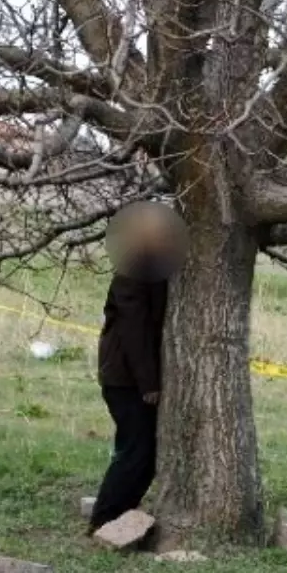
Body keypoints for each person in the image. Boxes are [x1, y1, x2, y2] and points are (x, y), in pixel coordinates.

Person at [87, 206, 182, 536]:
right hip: (125, 379)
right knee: (137, 450)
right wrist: (149, 384)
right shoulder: (133, 274)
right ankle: (106, 518)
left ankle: (120, 514)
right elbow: (134, 330)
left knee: (140, 449)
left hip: (130, 377)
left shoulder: (151, 270)